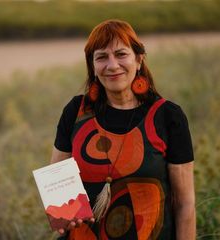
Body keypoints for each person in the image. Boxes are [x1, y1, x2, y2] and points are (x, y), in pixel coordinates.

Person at [50, 19, 195, 240]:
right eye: (101, 57)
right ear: (93, 66)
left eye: (121, 54)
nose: (112, 65)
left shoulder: (168, 117)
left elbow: (184, 204)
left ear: (138, 59)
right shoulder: (76, 111)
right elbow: (57, 184)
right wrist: (62, 211)